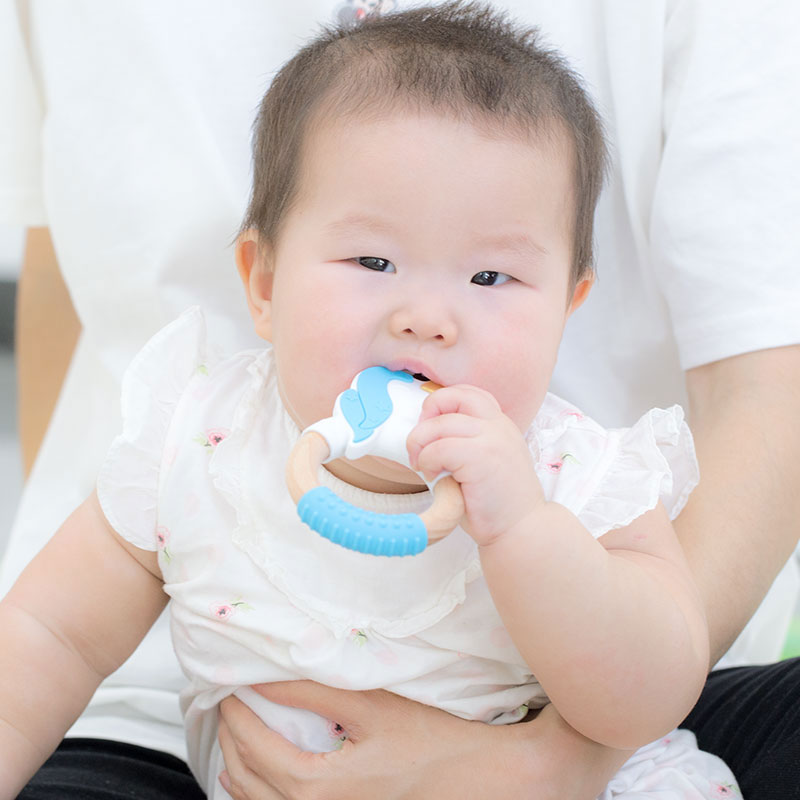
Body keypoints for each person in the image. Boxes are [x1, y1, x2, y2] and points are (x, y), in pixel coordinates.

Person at [1, 2, 798, 799]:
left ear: (566, 306)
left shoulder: (575, 477)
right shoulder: (200, 442)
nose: (425, 316)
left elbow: (649, 694)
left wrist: (525, 533)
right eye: (373, 260)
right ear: (265, 282)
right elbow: (49, 635)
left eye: (491, 278)